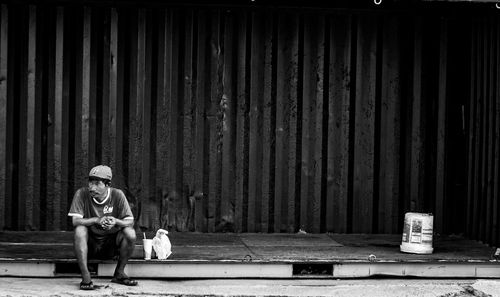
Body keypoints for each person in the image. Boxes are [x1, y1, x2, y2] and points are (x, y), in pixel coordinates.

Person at [68, 165, 138, 290]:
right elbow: (75, 221)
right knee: (79, 229)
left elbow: (130, 221)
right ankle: (86, 276)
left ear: (107, 185)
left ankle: (119, 273)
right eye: (90, 182)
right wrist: (96, 220)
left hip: (111, 247)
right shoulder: (82, 193)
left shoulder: (117, 195)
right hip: (90, 246)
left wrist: (116, 221)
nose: (91, 187)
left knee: (130, 233)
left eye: (96, 183)